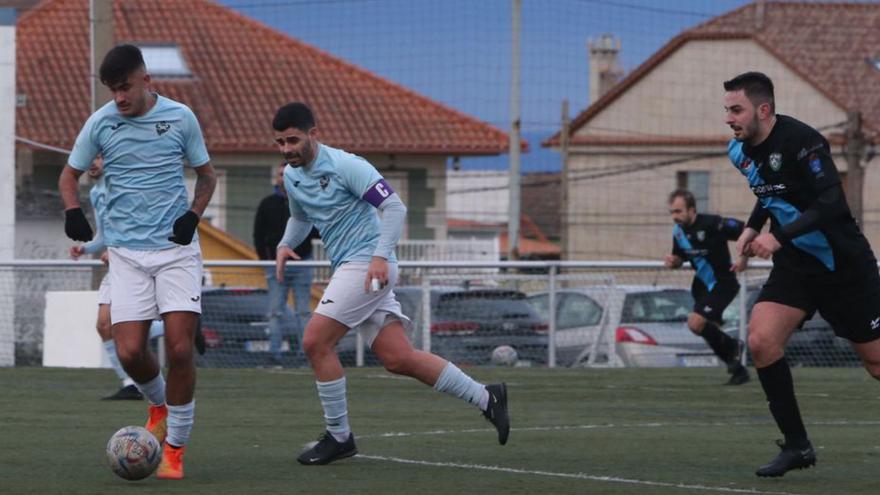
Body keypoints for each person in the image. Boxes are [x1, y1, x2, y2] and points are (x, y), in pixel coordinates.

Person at [272, 102, 509, 465]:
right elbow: (301, 217)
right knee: (399, 359)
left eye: (293, 140)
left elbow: (395, 208)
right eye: (280, 142)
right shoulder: (292, 175)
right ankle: (486, 397)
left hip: (367, 265)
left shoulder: (346, 166)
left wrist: (380, 257)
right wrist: (287, 243)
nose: (287, 149)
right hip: (353, 269)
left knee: (314, 341)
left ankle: (339, 437)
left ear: (313, 134)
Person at [59, 44, 216, 480]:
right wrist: (73, 210)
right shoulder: (101, 122)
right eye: (112, 91)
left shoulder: (180, 118)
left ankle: (176, 450)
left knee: (181, 348)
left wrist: (192, 215)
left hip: (175, 251)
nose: (119, 98)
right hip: (126, 254)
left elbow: (207, 176)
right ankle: (159, 404)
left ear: (146, 81)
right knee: (128, 350)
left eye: (125, 88)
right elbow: (68, 175)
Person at [723, 71, 880, 477]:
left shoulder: (803, 142)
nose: (729, 118)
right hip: (796, 266)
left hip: (842, 265)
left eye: (736, 109)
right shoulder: (739, 152)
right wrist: (753, 228)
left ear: (764, 110)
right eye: (726, 110)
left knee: (876, 362)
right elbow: (769, 192)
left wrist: (778, 238)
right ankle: (798, 447)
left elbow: (831, 202)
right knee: (761, 341)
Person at [664, 189, 751, 385]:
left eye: (678, 211)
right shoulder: (678, 232)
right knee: (703, 327)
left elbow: (746, 231)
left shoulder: (712, 223)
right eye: (672, 212)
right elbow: (681, 257)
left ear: (692, 210)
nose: (675, 217)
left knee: (695, 323)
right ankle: (737, 369)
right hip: (701, 286)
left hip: (723, 283)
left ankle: (733, 347)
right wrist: (674, 261)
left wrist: (744, 260)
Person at [253, 164, 319, 366]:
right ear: (277, 178)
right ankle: (274, 354)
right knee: (274, 312)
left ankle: (304, 354)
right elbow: (258, 235)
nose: (284, 178)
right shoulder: (267, 203)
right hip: (275, 265)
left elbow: (316, 231)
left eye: (288, 174)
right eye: (281, 174)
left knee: (303, 312)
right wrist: (267, 260)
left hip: (302, 263)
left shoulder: (305, 201)